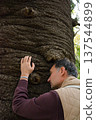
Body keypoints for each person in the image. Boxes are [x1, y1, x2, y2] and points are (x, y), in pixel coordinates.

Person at [12, 56, 80, 120]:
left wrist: (24, 74)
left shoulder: (57, 97)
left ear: (62, 71)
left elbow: (19, 105)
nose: (48, 79)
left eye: (51, 73)